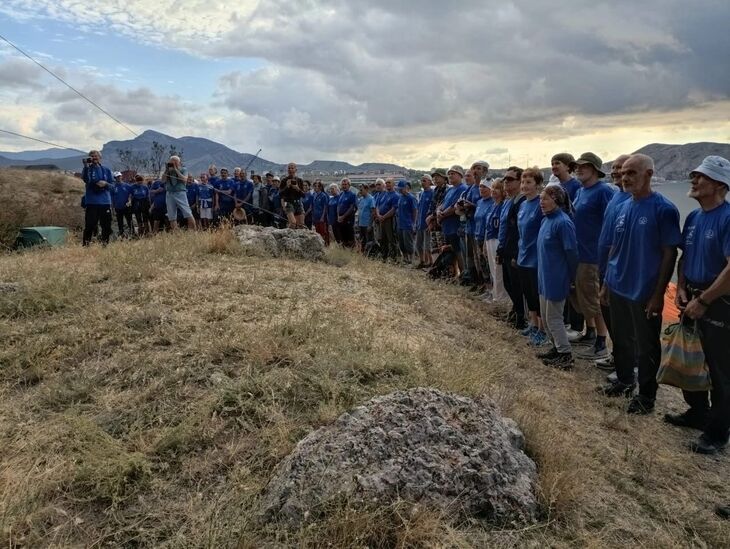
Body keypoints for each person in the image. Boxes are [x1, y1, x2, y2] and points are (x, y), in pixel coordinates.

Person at [598, 153, 681, 415]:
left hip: (644, 290)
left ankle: (646, 396)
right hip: (618, 285)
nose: (625, 178)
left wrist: (658, 295)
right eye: (623, 173)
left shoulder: (663, 209)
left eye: (631, 173)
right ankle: (624, 381)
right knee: (621, 338)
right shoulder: (623, 206)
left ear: (649, 174)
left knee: (646, 346)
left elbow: (669, 253)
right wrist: (606, 283)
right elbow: (615, 247)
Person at [669, 155, 730, 454]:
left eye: (701, 176)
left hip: (718, 302)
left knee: (720, 370)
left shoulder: (727, 218)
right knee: (690, 358)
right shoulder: (693, 217)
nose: (694, 180)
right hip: (692, 296)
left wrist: (704, 300)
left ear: (720, 185)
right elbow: (686, 257)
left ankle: (717, 434)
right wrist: (681, 287)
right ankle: (697, 412)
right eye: (694, 175)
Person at [571, 152, 616, 360]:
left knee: (594, 300)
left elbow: (611, 222)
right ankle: (589, 332)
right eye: (577, 166)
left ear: (596, 170)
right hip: (580, 253)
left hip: (593, 256)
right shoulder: (581, 191)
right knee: (584, 297)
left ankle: (601, 343)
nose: (579, 169)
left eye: (584, 166)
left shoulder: (603, 191)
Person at [535, 185, 579, 369]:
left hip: (556, 277)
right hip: (544, 277)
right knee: (546, 318)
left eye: (545, 199)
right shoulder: (546, 220)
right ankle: (556, 347)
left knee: (554, 318)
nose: (541, 203)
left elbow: (572, 253)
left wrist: (572, 278)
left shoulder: (563, 223)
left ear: (556, 200)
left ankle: (565, 354)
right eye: (540, 199)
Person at [596, 154, 632, 373]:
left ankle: (628, 365)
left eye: (622, 168)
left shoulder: (630, 200)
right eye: (615, 167)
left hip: (619, 271)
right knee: (610, 316)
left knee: (624, 324)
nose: (616, 172)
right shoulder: (616, 196)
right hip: (604, 267)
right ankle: (617, 357)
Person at [517, 167, 546, 345]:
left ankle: (542, 330)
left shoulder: (540, 204)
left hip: (536, 257)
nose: (524, 185)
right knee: (528, 293)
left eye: (529, 182)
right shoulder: (523, 204)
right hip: (523, 255)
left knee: (536, 294)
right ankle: (533, 324)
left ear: (538, 184)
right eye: (523, 182)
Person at [497, 167, 527, 329]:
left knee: (517, 286)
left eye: (510, 179)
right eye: (505, 180)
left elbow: (520, 231)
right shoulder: (510, 201)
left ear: (520, 181)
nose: (506, 183)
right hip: (507, 248)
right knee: (508, 284)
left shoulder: (523, 202)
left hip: (517, 251)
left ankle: (521, 317)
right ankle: (517, 311)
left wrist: (517, 253)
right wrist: (501, 248)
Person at [437, 166, 468, 276]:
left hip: (456, 226)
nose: (450, 176)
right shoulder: (450, 189)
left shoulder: (462, 188)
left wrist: (442, 215)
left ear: (460, 175)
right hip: (447, 226)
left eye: (453, 173)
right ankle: (454, 274)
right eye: (449, 174)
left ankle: (463, 274)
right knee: (451, 251)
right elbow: (442, 204)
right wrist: (438, 211)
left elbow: (455, 206)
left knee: (458, 251)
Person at [81, 150, 113, 246]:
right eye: (92, 156)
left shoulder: (106, 170)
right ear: (89, 158)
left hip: (105, 202)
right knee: (90, 225)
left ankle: (105, 245)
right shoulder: (88, 169)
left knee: (106, 226)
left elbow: (113, 186)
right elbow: (86, 179)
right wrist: (86, 166)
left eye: (96, 156)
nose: (94, 157)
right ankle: (86, 246)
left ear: (100, 157)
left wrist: (105, 184)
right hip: (92, 202)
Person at [484, 179, 508, 303]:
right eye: (492, 188)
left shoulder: (503, 205)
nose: (493, 190)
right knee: (493, 269)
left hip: (498, 239)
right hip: (490, 238)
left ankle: (501, 298)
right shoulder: (492, 205)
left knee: (499, 269)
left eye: (497, 188)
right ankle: (495, 294)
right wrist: (485, 243)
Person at [460, 168, 483, 286]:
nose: (467, 178)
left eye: (470, 175)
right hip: (468, 226)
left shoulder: (482, 188)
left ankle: (481, 282)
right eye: (467, 176)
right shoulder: (469, 189)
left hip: (477, 228)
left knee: (479, 258)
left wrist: (471, 205)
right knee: (470, 256)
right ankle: (473, 281)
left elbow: (483, 206)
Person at [162, 155, 195, 231]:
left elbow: (184, 180)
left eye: (174, 162)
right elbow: (163, 180)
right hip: (170, 193)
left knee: (187, 212)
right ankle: (176, 233)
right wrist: (166, 170)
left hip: (180, 193)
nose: (172, 163)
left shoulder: (183, 169)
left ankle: (193, 231)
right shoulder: (168, 171)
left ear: (178, 163)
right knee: (171, 215)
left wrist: (176, 170)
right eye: (171, 162)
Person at [473, 180, 494, 296]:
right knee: (482, 264)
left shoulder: (492, 202)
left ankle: (493, 290)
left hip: (486, 238)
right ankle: (487, 288)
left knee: (488, 264)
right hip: (477, 236)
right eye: (480, 187)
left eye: (484, 187)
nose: (481, 189)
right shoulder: (479, 202)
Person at [375, 178, 400, 262]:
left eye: (389, 182)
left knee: (391, 239)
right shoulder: (384, 194)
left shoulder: (396, 195)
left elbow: (393, 209)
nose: (387, 184)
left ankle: (394, 258)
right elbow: (377, 206)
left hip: (389, 220)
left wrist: (384, 217)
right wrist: (378, 215)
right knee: (383, 239)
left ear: (393, 184)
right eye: (386, 183)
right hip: (382, 219)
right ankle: (384, 256)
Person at [396, 180, 418, 264]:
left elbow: (415, 211)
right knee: (401, 243)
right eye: (399, 189)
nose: (400, 190)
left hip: (408, 224)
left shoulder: (411, 198)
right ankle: (405, 258)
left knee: (408, 243)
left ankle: (411, 259)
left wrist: (413, 223)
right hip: (400, 224)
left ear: (406, 188)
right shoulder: (400, 197)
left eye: (401, 189)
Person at [415, 174, 434, 268]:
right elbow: (419, 209)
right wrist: (416, 222)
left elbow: (433, 208)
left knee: (427, 245)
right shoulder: (421, 194)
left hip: (427, 223)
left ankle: (431, 262)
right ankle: (422, 261)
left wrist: (431, 222)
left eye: (424, 181)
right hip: (420, 223)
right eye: (421, 181)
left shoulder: (432, 193)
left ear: (430, 182)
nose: (422, 183)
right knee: (418, 244)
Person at [280, 163, 305, 228]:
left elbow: (304, 195)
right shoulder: (284, 180)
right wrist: (287, 186)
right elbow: (280, 194)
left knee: (301, 224)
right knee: (293, 222)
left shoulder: (299, 180)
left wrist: (297, 188)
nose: (290, 169)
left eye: (292, 168)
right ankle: (288, 233)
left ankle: (296, 234)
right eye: (289, 168)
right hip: (288, 202)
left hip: (298, 202)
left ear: (296, 170)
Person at [111, 171, 134, 238]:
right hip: (118, 207)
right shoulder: (113, 187)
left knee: (129, 221)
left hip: (126, 207)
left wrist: (130, 200)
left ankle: (133, 234)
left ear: (121, 176)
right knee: (120, 222)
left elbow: (132, 194)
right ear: (115, 178)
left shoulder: (127, 186)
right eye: (117, 177)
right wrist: (112, 208)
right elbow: (111, 198)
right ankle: (121, 235)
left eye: (119, 176)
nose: (118, 178)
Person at [337, 178, 358, 247]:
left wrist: (343, 217)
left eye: (345, 184)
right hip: (340, 219)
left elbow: (352, 208)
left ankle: (352, 251)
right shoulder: (341, 194)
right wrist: (338, 216)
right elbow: (338, 206)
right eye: (343, 184)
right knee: (343, 237)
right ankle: (345, 251)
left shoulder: (352, 195)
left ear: (349, 185)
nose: (344, 186)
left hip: (348, 219)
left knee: (350, 237)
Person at [357, 183, 375, 252]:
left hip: (367, 224)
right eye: (359, 190)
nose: (360, 191)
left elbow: (373, 212)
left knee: (369, 242)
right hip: (361, 224)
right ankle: (363, 254)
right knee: (362, 241)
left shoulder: (371, 199)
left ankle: (369, 255)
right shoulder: (361, 199)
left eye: (361, 190)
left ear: (366, 189)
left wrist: (370, 225)